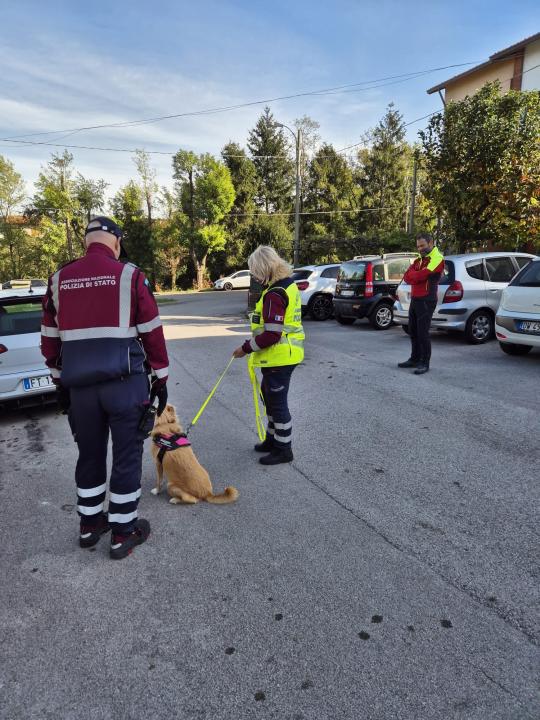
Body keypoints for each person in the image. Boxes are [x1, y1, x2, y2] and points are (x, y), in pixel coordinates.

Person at [40, 217, 169, 560]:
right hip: (126, 386)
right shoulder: (129, 275)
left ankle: (89, 525)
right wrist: (162, 378)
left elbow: (50, 340)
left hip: (80, 389)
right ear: (116, 243)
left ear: (86, 243)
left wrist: (58, 380)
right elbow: (152, 332)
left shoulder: (58, 280)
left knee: (89, 455)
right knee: (126, 457)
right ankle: (123, 533)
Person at [233, 246, 304, 465]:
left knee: (277, 404)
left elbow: (272, 334)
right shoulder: (284, 286)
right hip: (279, 356)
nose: (253, 276)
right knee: (270, 398)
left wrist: (245, 348)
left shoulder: (275, 293)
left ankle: (284, 449)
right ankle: (272, 440)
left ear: (265, 268)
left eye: (255, 271)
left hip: (281, 356)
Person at [398, 232, 444, 375]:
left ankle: (425, 362)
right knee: (412, 329)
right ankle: (414, 358)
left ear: (430, 243)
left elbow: (422, 275)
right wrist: (416, 277)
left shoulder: (437, 258)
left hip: (427, 299)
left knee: (423, 333)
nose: (420, 248)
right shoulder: (419, 260)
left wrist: (416, 276)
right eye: (418, 246)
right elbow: (407, 276)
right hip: (416, 298)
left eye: (422, 245)